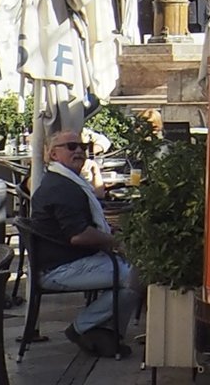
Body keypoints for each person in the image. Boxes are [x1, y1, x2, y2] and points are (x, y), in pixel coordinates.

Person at [28, 129, 142, 358]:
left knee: (134, 269)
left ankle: (105, 332)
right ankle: (84, 326)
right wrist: (117, 241)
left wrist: (112, 235)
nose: (79, 151)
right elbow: (78, 235)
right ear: (53, 154)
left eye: (83, 147)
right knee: (136, 276)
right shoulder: (61, 188)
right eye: (71, 147)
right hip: (59, 269)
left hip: (72, 260)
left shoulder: (66, 181)